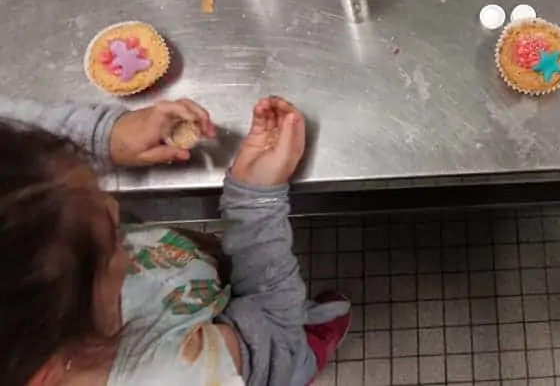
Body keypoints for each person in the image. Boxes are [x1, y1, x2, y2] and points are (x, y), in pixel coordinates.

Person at [0, 95, 350, 386]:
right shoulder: (185, 373)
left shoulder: (50, 298)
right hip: (264, 349)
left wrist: (106, 134)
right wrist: (254, 199)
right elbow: (273, 337)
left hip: (192, 286)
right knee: (291, 357)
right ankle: (311, 351)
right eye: (113, 235)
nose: (114, 207)